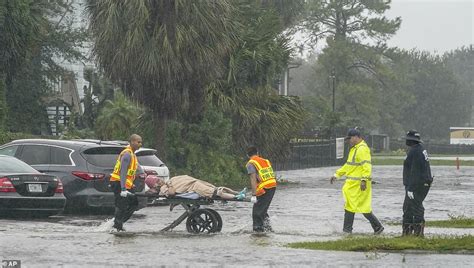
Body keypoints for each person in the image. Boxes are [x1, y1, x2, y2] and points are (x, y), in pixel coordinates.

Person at [330, 128, 384, 234]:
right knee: (359, 206)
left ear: (356, 137)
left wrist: (364, 180)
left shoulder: (362, 149)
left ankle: (347, 230)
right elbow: (348, 166)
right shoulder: (354, 149)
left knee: (354, 206)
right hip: (353, 185)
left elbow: (367, 166)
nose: (349, 141)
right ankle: (377, 227)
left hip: (359, 185)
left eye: (350, 138)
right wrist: (336, 175)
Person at [109, 134, 143, 232]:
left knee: (134, 204)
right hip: (119, 183)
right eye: (138, 142)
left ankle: (117, 223)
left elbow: (130, 173)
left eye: (141, 142)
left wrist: (131, 184)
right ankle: (117, 227)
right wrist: (123, 189)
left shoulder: (133, 154)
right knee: (121, 206)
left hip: (126, 184)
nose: (140, 144)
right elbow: (122, 172)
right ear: (132, 142)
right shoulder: (127, 154)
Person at [402, 130, 433, 237]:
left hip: (417, 185)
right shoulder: (420, 149)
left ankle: (418, 234)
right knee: (408, 207)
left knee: (416, 207)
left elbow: (415, 171)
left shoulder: (415, 151)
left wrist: (410, 188)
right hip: (421, 183)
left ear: (411, 140)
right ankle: (407, 233)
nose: (406, 141)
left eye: (407, 139)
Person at [246, 146, 277, 232]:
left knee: (257, 212)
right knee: (262, 210)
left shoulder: (251, 163)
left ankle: (258, 232)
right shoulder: (265, 161)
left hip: (264, 188)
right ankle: (267, 229)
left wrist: (253, 195)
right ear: (257, 153)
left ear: (248, 155)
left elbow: (253, 179)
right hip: (272, 186)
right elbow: (265, 174)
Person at [145, 175, 246, 200]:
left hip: (195, 182)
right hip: (194, 187)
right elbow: (171, 193)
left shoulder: (168, 182)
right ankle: (236, 197)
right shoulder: (163, 188)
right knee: (216, 192)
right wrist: (170, 184)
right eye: (158, 181)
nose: (160, 180)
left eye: (159, 179)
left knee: (219, 188)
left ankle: (238, 193)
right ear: (155, 185)